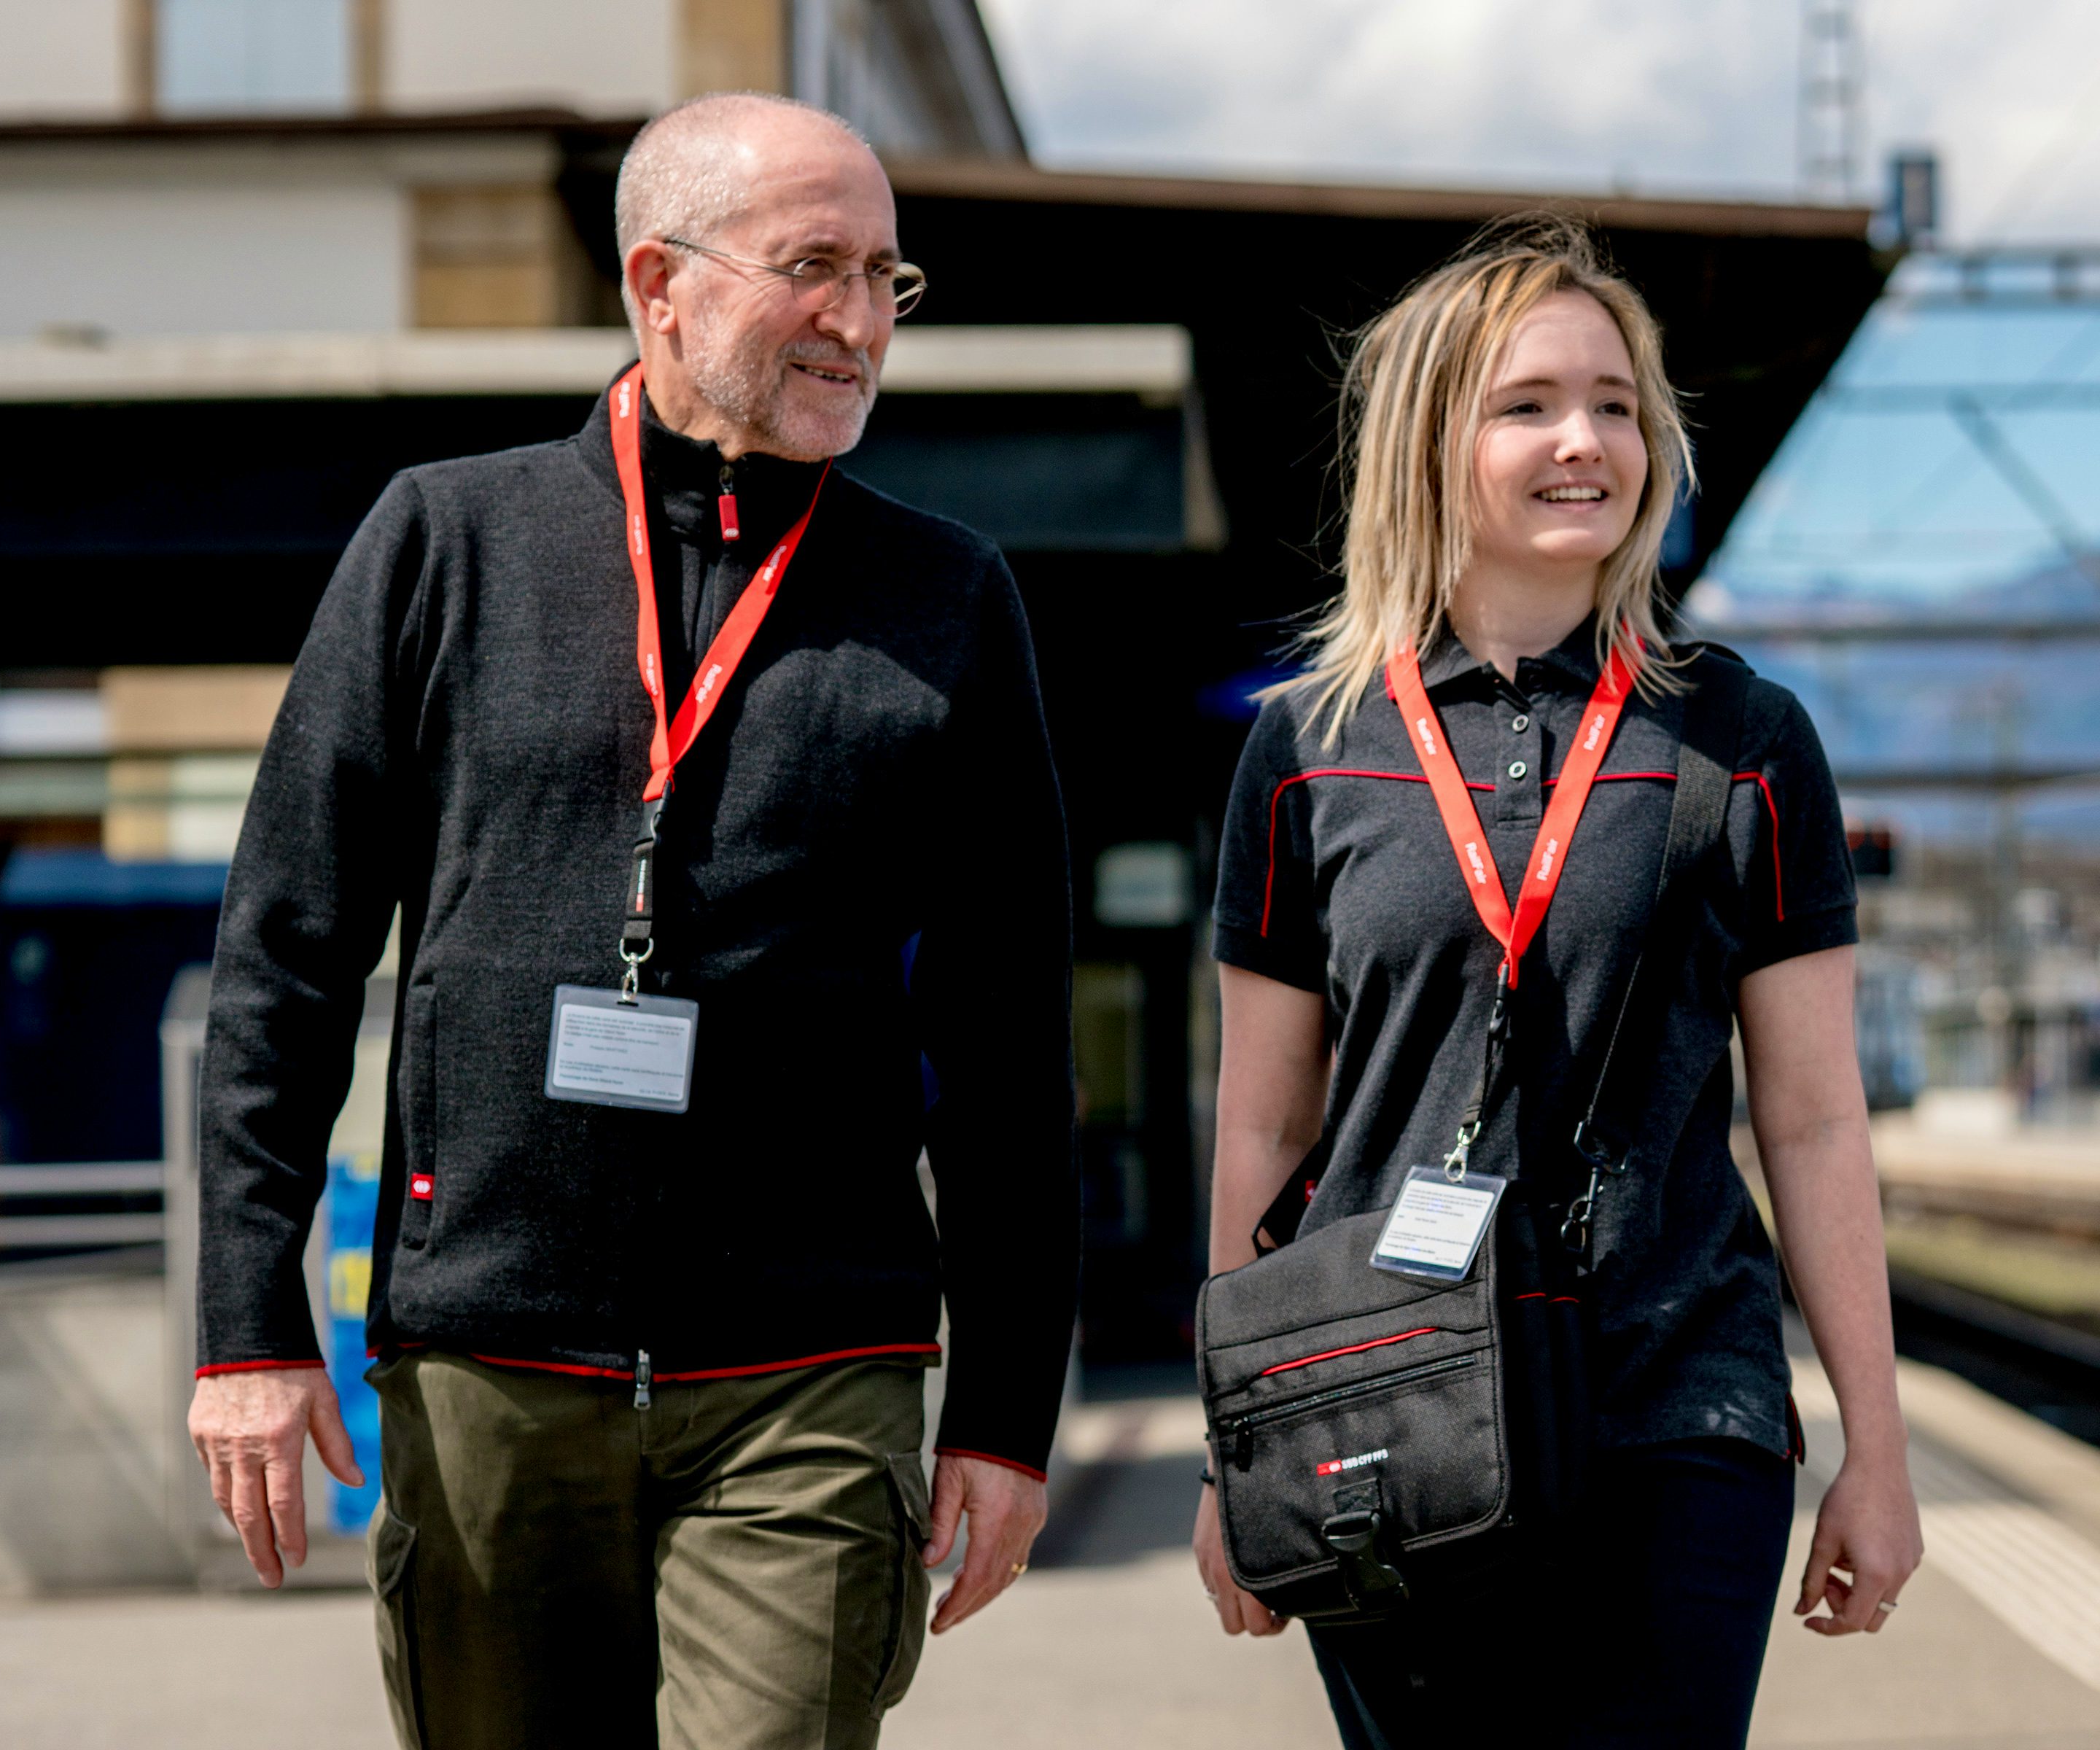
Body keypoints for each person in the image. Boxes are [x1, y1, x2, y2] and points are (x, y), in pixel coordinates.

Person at [186, 93, 1078, 1749]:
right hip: (486, 1364)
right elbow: (285, 955)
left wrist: (1010, 1411)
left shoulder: (947, 595)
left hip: (814, 1368)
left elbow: (1010, 1039)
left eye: (888, 276)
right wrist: (249, 1314)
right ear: (659, 283)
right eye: (814, 266)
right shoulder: (443, 541)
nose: (862, 320)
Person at [1193, 221, 1924, 1746]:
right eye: (1526, 404)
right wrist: (1234, 1450)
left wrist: (1877, 1443)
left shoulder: (1738, 735)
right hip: (1378, 1402)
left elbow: (1812, 1120)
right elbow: (1260, 1133)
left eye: (1614, 401)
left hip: (1678, 1400)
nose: (1584, 440)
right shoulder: (1308, 747)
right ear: (1429, 444)